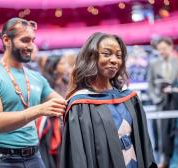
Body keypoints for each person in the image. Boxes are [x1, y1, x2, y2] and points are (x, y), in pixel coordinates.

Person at [0, 17, 66, 168]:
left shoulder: (36, 78)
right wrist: (39, 110)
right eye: (25, 40)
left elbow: (64, 104)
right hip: (0, 158)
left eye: (33, 40)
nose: (31, 46)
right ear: (6, 40)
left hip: (34, 156)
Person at [60, 32, 157, 168]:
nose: (114, 60)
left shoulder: (129, 98)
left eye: (118, 55)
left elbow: (145, 147)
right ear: (91, 57)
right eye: (106, 54)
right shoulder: (80, 105)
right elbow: (78, 158)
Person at [147, 37, 178, 167]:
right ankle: (163, 159)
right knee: (161, 133)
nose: (162, 51)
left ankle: (176, 158)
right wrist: (155, 99)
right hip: (160, 103)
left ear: (171, 47)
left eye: (164, 49)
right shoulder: (154, 64)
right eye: (159, 49)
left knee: (176, 130)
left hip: (177, 101)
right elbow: (150, 84)